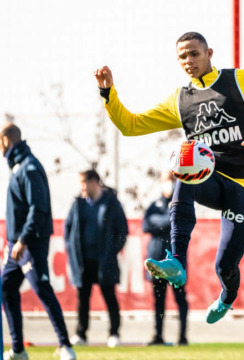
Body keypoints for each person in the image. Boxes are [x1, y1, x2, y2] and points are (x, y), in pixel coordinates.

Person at [94, 31, 244, 324]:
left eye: (194, 54)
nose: (188, 61)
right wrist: (108, 94)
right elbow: (131, 126)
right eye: (182, 56)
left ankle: (227, 297)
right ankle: (177, 261)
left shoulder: (241, 81)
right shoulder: (181, 99)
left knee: (225, 265)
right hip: (214, 180)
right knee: (183, 166)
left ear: (209, 53)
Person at [0, 123, 76, 360]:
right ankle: (19, 349)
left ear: (5, 140)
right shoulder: (18, 167)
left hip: (29, 243)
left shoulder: (29, 167)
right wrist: (12, 241)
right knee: (6, 288)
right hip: (16, 244)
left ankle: (66, 346)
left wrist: (23, 239)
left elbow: (38, 208)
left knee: (42, 289)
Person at [64, 169, 128, 348]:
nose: (82, 187)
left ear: (94, 182)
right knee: (82, 299)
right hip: (83, 262)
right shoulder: (78, 204)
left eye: (84, 183)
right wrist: (72, 252)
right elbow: (68, 230)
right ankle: (81, 334)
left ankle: (114, 333)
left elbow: (122, 231)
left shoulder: (111, 202)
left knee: (109, 297)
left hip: (104, 262)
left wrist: (112, 252)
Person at [142, 171, 188, 346]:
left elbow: (177, 222)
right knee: (159, 301)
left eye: (171, 181)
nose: (168, 184)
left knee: (180, 299)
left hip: (176, 261)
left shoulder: (181, 203)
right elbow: (146, 224)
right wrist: (167, 220)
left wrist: (159, 222)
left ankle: (182, 336)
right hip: (156, 260)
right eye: (165, 181)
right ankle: (158, 335)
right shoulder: (154, 204)